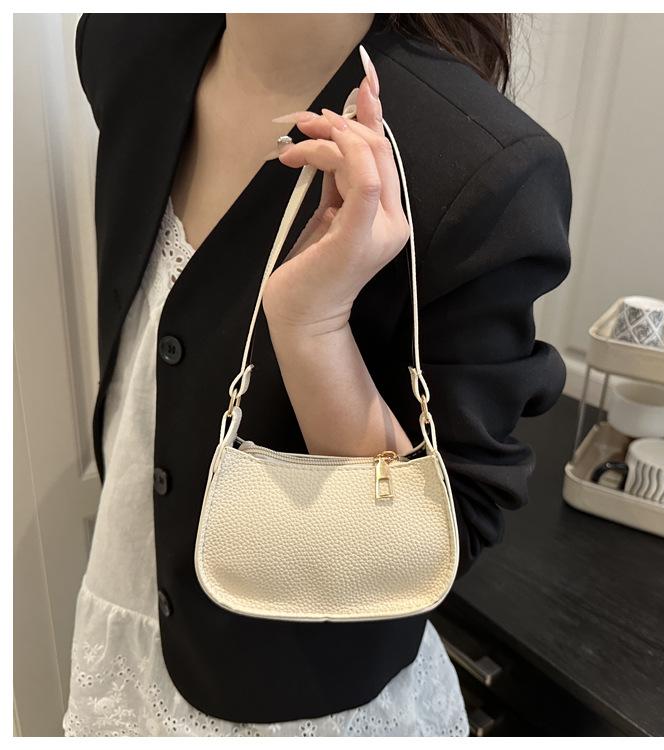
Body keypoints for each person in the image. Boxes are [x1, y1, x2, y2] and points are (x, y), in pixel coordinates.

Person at [63, 13, 572, 737]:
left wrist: (314, 328)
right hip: (120, 613)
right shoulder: (124, 42)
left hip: (301, 695)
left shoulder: (478, 163)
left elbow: (430, 542)